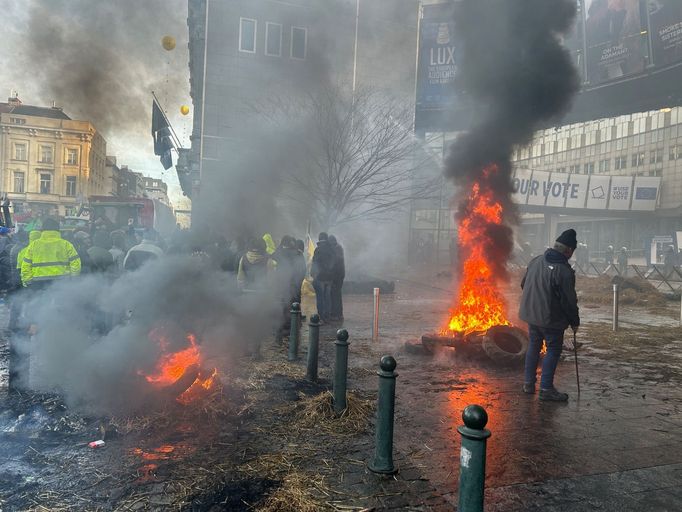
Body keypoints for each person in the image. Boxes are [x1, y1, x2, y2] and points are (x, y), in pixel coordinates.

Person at [519, 228, 580, 402]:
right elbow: (569, 301)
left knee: (533, 346)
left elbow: (524, 284)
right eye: (572, 251)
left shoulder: (536, 260)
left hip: (531, 315)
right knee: (553, 349)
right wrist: (574, 321)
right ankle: (546, 388)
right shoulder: (564, 271)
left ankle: (528, 384)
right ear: (568, 250)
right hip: (550, 319)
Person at [21, 217, 81, 288]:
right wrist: (74, 279)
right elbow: (76, 264)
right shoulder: (66, 244)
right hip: (62, 281)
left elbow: (26, 265)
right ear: (58, 230)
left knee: (42, 299)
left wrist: (28, 281)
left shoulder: (33, 245)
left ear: (42, 230)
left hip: (39, 283)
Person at [311, 232, 336, 322]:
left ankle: (321, 317)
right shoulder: (332, 249)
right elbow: (334, 263)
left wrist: (312, 274)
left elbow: (315, 263)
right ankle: (327, 316)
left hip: (320, 277)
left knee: (320, 298)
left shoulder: (318, 250)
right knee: (327, 297)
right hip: (329, 278)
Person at [328, 235, 345, 322]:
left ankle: (335, 314)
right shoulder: (339, 248)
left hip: (336, 276)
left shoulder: (335, 249)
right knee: (337, 295)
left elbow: (334, 262)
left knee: (334, 295)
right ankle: (339, 314)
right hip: (340, 275)